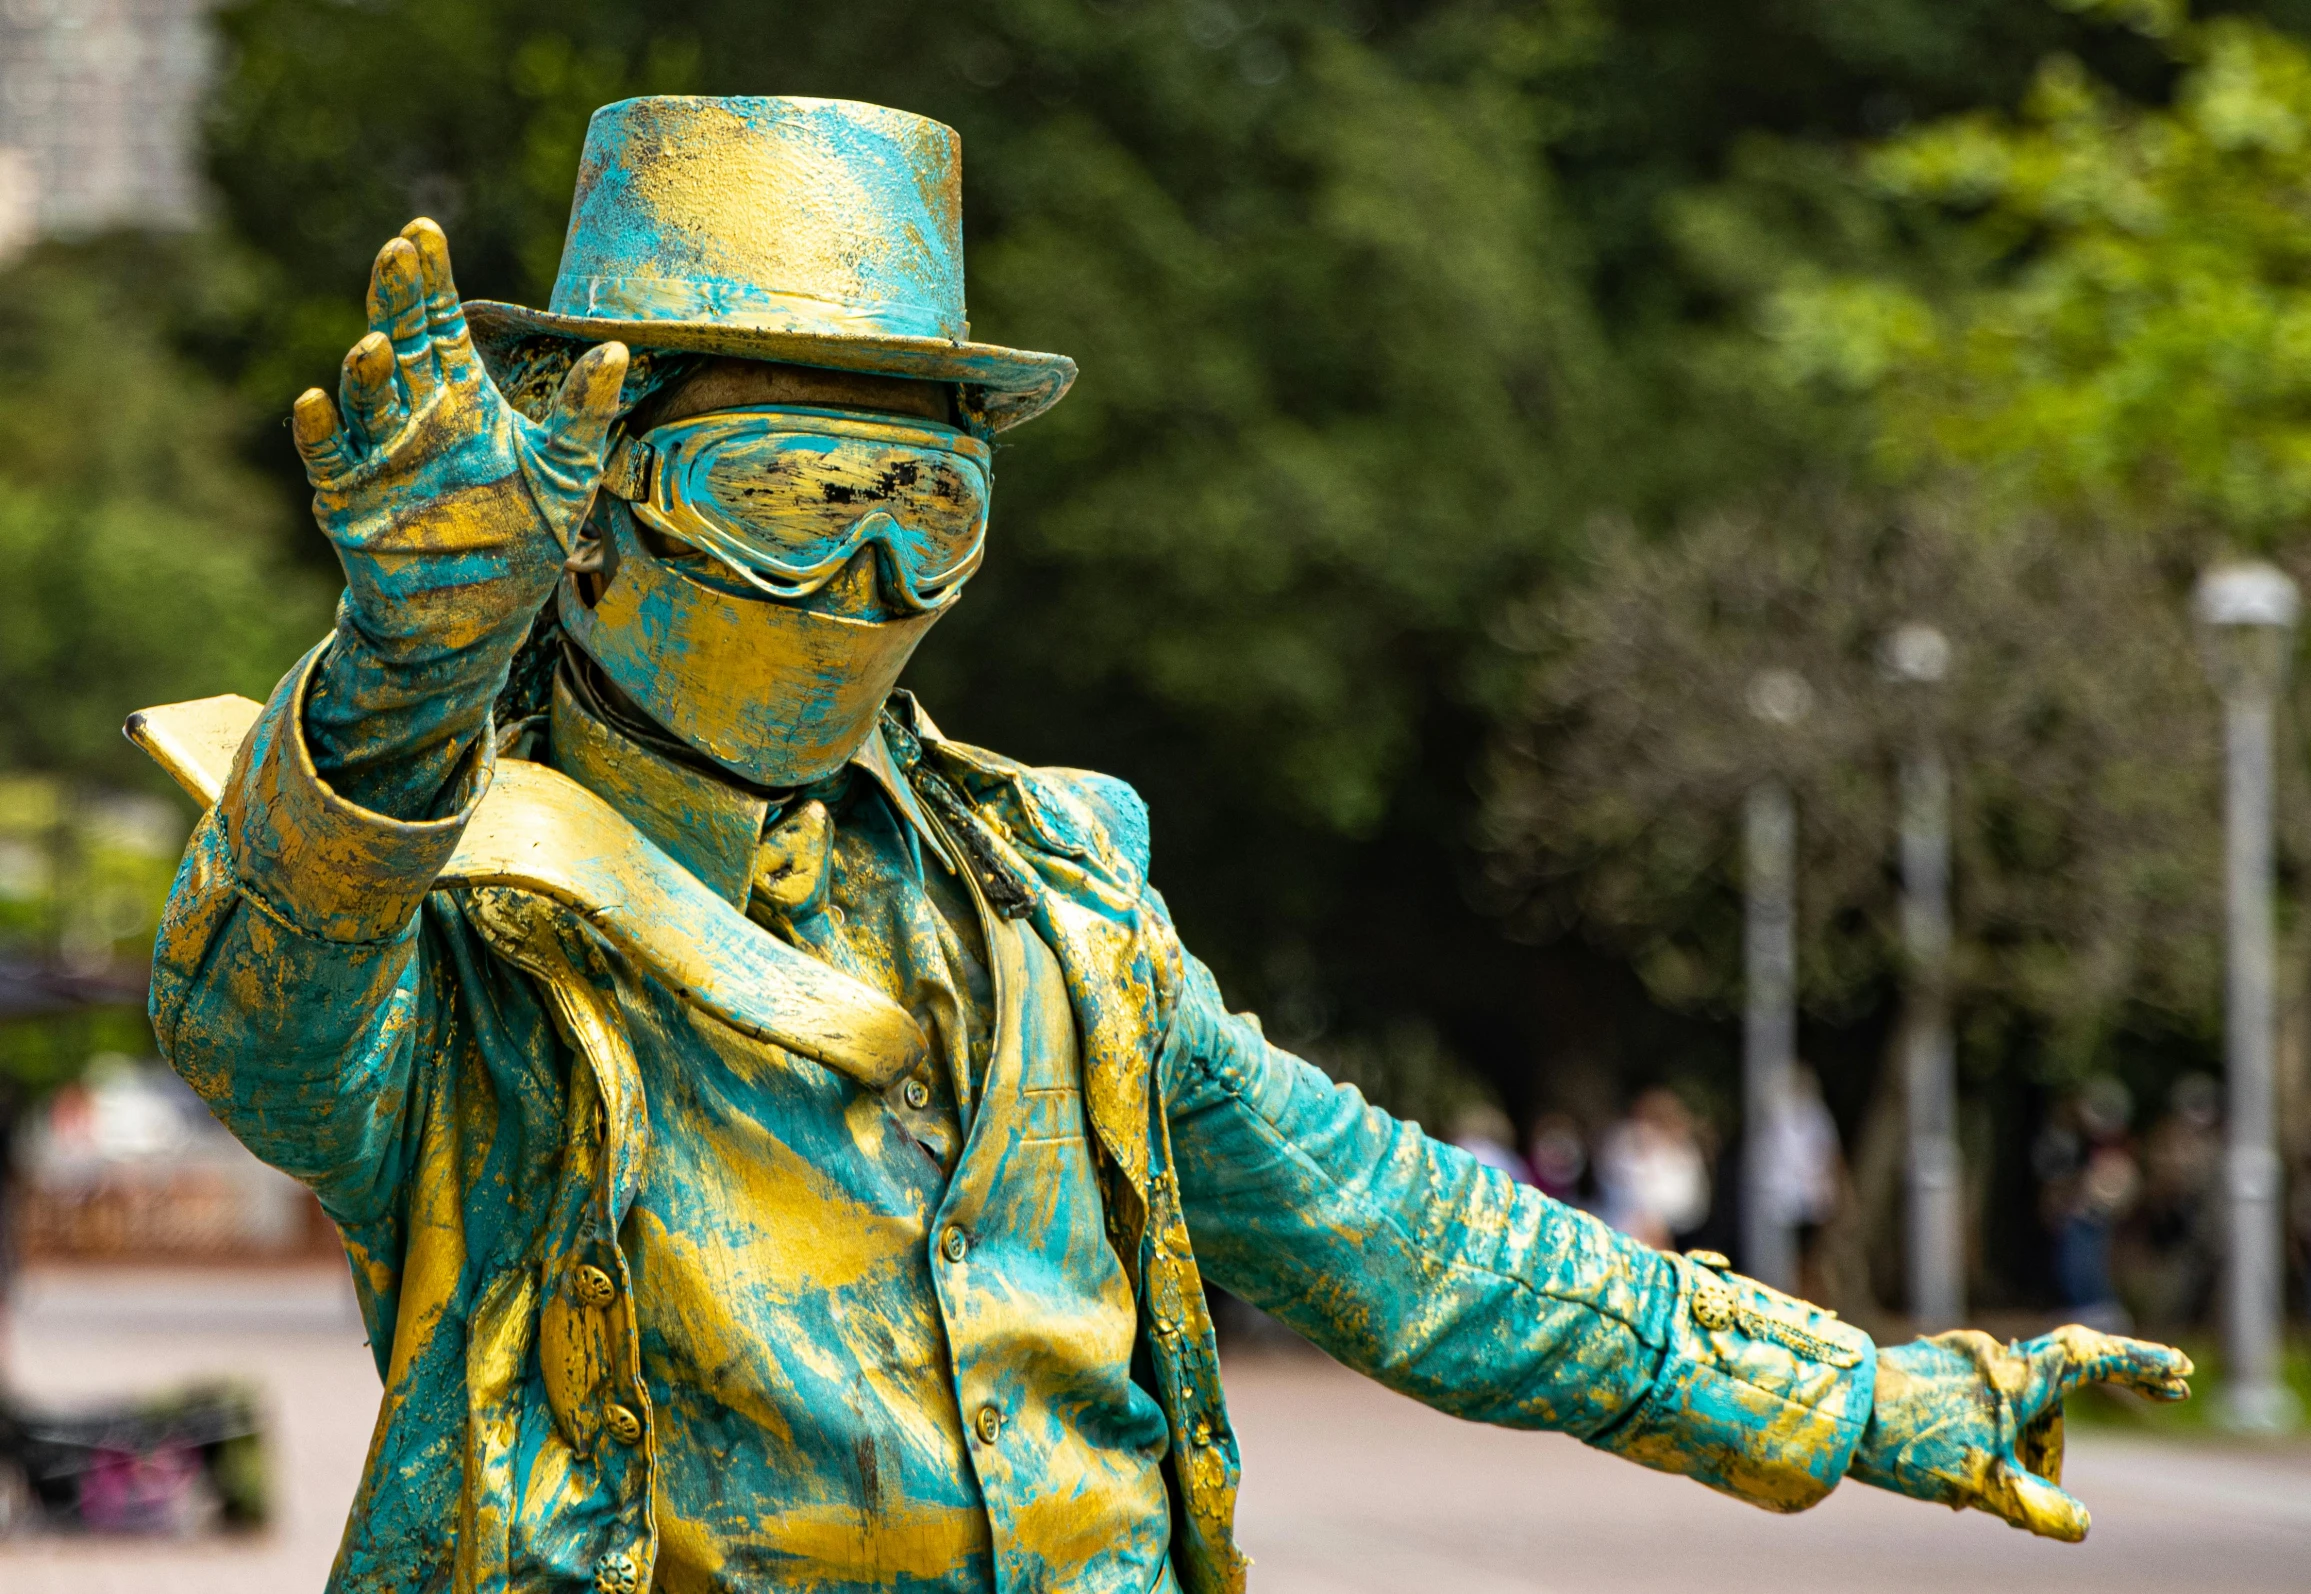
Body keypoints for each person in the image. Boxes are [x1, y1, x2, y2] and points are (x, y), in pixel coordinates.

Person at [136, 96, 2191, 1594]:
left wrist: (1849, 1393)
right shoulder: (449, 898)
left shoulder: (1052, 897)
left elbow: (1386, 1222)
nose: (864, 576)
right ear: (583, 512)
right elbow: (264, 1028)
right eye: (785, 487)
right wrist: (406, 665)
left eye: (925, 505)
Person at [1598, 1086, 1712, 1249]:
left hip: (1661, 1233)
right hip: (1620, 1227)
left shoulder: (1683, 1152)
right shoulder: (1624, 1142)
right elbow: (1614, 1183)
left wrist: (1656, 1218)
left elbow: (1690, 1203)